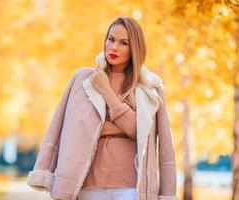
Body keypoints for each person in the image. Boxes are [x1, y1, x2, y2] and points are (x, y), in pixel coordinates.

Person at [27, 16, 178, 200]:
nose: (114, 47)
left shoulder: (149, 87)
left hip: (131, 188)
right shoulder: (82, 80)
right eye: (111, 39)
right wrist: (44, 169)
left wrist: (106, 91)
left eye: (123, 43)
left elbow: (149, 136)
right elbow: (60, 128)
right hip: (85, 185)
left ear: (135, 49)